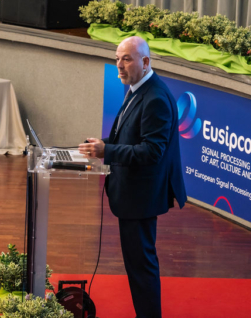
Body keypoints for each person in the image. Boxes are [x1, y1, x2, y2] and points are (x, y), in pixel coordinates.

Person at [78, 36, 187, 318]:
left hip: (141, 197)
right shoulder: (138, 89)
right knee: (138, 266)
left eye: (126, 59)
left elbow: (152, 151)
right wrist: (100, 145)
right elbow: (128, 137)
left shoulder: (155, 98)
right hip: (133, 194)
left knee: (141, 267)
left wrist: (107, 150)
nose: (119, 65)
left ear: (145, 61)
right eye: (117, 59)